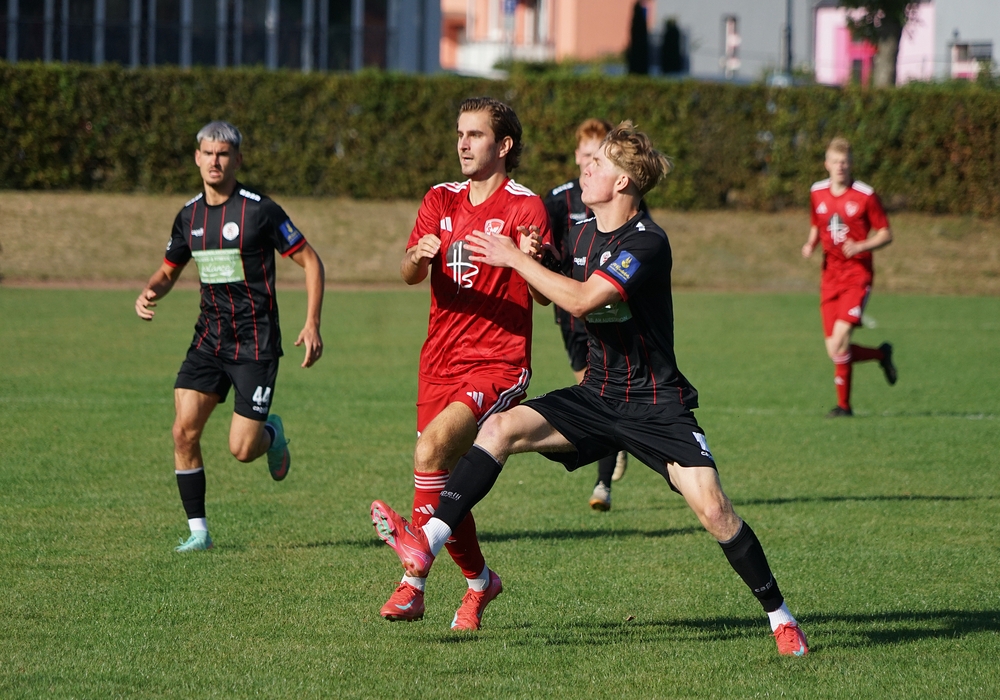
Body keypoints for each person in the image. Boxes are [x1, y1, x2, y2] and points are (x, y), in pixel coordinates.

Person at [369, 121, 810, 656]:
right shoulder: (579, 234)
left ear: (622, 182)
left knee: (715, 511)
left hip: (655, 406)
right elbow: (557, 286)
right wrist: (538, 256)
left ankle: (781, 618)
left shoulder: (647, 242)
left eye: (597, 163)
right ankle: (427, 544)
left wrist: (516, 259)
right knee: (499, 428)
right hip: (596, 396)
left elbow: (582, 300)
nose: (585, 167)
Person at [370, 97, 551, 631]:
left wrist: (529, 257)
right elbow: (408, 273)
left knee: (430, 450)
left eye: (475, 135)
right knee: (441, 481)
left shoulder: (526, 207)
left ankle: (413, 584)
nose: (463, 144)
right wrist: (416, 257)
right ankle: (479, 584)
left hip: (497, 361)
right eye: (459, 134)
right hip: (439, 359)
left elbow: (543, 295)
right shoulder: (439, 198)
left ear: (504, 145)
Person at [135, 120, 325, 552]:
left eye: (223, 154)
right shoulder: (188, 216)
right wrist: (150, 291)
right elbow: (168, 271)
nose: (215, 161)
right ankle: (199, 533)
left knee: (242, 449)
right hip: (208, 340)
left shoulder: (260, 211)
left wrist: (312, 322)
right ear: (197, 158)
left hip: (255, 344)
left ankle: (271, 435)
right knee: (183, 432)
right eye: (208, 153)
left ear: (237, 160)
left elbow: (311, 262)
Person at [543, 118, 630, 511]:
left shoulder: (618, 196)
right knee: (592, 392)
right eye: (586, 154)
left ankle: (602, 486)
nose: (590, 161)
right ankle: (617, 439)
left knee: (601, 395)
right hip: (569, 313)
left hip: (607, 309)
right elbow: (545, 247)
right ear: (577, 155)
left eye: (599, 155)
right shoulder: (558, 199)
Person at [802, 137, 897, 418]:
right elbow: (816, 223)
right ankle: (880, 355)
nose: (840, 166)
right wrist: (810, 244)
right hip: (829, 277)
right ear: (827, 164)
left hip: (857, 276)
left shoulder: (865, 195)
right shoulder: (817, 192)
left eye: (845, 162)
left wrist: (861, 246)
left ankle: (844, 407)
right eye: (835, 161)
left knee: (839, 340)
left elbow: (886, 233)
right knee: (835, 350)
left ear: (851, 164)